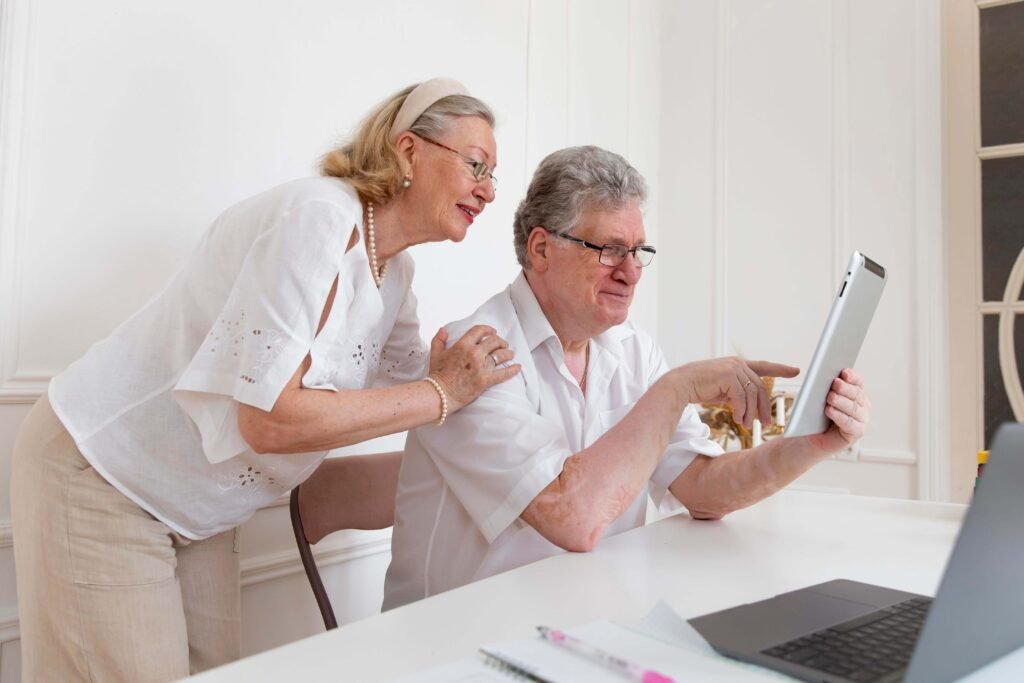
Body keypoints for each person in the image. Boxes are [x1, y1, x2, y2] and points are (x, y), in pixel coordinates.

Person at [10, 77, 520, 681]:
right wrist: (443, 391)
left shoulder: (395, 271)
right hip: (105, 471)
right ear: (408, 151)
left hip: (198, 507)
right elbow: (270, 419)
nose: (488, 191)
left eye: (493, 175)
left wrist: (482, 369)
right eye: (476, 165)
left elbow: (420, 387)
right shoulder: (318, 219)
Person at [383, 145, 871, 609]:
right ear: (541, 249)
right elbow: (573, 517)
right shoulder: (471, 356)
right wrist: (677, 389)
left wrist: (811, 444)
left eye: (639, 251)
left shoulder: (633, 350)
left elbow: (702, 489)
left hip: (588, 623)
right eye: (610, 250)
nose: (632, 273)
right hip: (462, 647)